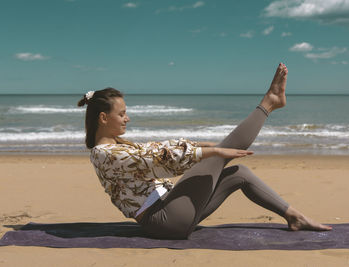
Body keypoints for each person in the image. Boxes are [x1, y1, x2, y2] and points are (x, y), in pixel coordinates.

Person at [78, 63, 332, 239]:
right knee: (225, 151)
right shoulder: (104, 154)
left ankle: (293, 216)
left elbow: (155, 148)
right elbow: (157, 159)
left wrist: (203, 146)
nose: (127, 119)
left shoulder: (117, 147)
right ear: (103, 118)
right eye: (121, 114)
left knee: (238, 173)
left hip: (172, 211)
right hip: (164, 219)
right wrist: (212, 153)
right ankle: (269, 103)